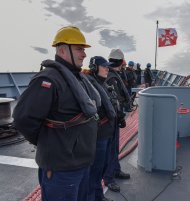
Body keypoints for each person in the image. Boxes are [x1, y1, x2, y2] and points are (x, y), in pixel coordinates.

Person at [13, 26, 100, 201]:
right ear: (62, 50)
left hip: (82, 163)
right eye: (79, 49)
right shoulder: (48, 80)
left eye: (83, 49)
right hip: (62, 169)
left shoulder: (77, 78)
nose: (84, 54)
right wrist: (49, 142)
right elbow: (23, 119)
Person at [84, 56, 118, 201]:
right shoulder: (89, 85)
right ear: (94, 68)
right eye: (104, 66)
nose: (107, 69)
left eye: (108, 66)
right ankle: (93, 197)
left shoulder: (101, 83)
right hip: (99, 135)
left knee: (102, 167)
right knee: (95, 170)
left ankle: (98, 196)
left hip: (107, 132)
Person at [103, 48, 131, 192]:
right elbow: (113, 101)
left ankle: (115, 170)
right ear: (120, 61)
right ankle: (108, 178)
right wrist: (120, 117)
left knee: (114, 148)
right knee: (110, 149)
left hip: (112, 118)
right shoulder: (111, 77)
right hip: (110, 119)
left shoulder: (112, 74)